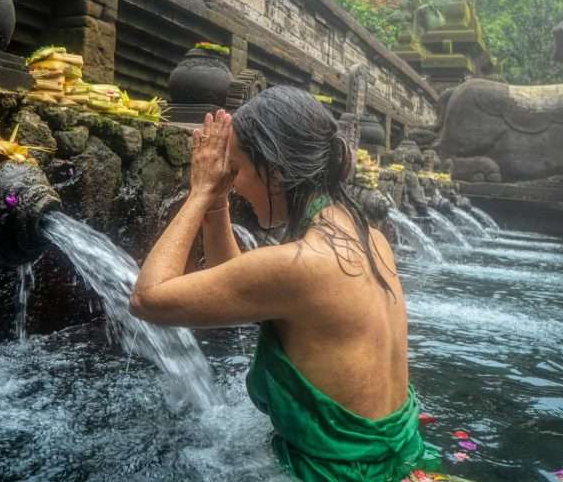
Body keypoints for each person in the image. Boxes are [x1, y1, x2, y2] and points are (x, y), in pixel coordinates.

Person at [129, 86, 433, 481]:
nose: (232, 183)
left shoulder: (303, 265)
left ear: (273, 171)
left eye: (236, 170)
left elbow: (147, 298)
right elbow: (242, 287)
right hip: (404, 459)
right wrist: (219, 204)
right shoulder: (371, 238)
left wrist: (200, 192)